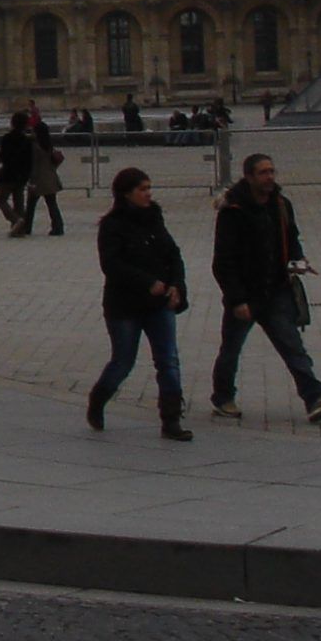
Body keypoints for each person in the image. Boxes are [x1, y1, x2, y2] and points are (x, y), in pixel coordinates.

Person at [209, 152, 321, 423]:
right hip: (246, 294)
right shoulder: (233, 211)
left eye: (272, 171)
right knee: (231, 349)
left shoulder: (281, 204)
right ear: (249, 177)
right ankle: (223, 397)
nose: (269, 177)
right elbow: (223, 261)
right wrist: (237, 299)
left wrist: (298, 260)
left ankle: (314, 396)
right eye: (263, 172)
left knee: (292, 345)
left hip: (276, 290)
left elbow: (291, 236)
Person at [87, 167, 193, 440]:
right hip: (124, 306)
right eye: (142, 189)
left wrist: (176, 284)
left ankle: (171, 418)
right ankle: (99, 399)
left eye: (149, 188)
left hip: (158, 304)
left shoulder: (154, 218)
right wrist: (147, 282)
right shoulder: (113, 225)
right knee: (123, 361)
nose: (148, 194)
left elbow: (173, 254)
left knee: (168, 360)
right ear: (126, 193)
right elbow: (111, 265)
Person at [18, 113, 67, 236]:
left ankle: (27, 227)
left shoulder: (35, 146)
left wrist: (31, 181)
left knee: (30, 206)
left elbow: (34, 165)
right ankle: (58, 227)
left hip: (39, 180)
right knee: (52, 205)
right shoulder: (48, 144)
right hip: (50, 178)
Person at [0, 115, 34, 234]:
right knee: (19, 201)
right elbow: (29, 160)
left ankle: (15, 220)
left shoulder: (8, 138)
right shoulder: (27, 140)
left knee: (1, 199)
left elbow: (2, 156)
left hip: (9, 173)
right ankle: (20, 230)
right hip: (22, 175)